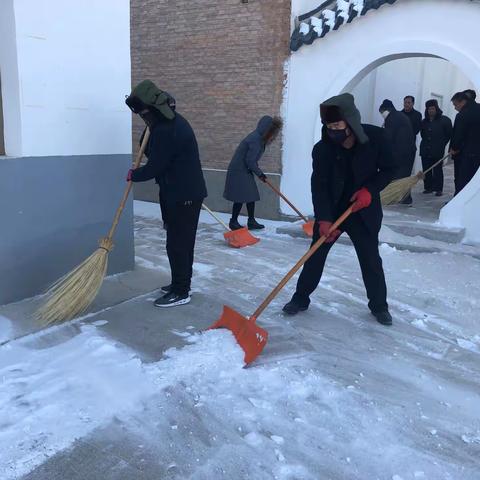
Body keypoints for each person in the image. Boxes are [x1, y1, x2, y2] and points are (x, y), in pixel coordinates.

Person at [283, 93, 396, 326]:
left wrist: (369, 190)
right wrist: (323, 219)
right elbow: (320, 186)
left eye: (337, 125)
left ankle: (379, 306)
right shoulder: (322, 149)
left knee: (370, 259)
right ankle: (300, 298)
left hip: (362, 212)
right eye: (329, 126)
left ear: (351, 121)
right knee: (314, 256)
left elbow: (389, 169)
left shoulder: (376, 138)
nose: (333, 130)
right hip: (332, 212)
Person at [125, 79, 207, 307]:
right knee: (176, 242)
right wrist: (147, 131)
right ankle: (178, 283)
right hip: (175, 192)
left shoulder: (168, 128)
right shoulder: (161, 126)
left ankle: (181, 291)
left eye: (143, 113)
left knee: (179, 244)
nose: (142, 117)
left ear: (154, 108)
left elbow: (156, 166)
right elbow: (150, 150)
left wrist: (135, 174)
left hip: (184, 195)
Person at [223, 116, 282, 230]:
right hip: (239, 170)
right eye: (272, 133)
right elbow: (250, 160)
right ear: (266, 130)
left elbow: (251, 161)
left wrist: (259, 173)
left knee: (251, 195)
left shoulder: (259, 138)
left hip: (244, 169)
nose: (273, 137)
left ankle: (251, 221)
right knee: (240, 196)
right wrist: (260, 174)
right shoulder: (255, 140)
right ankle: (233, 222)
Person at [379, 99, 416, 204]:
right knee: (404, 175)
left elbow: (388, 138)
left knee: (398, 176)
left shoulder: (391, 118)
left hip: (401, 152)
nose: (382, 115)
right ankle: (405, 198)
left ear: (386, 110)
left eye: (381, 113)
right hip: (408, 151)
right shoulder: (399, 115)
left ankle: (398, 198)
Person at [419, 99, 452, 196]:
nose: (431, 111)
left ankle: (438, 189)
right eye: (429, 109)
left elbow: (449, 134)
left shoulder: (445, 120)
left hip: (437, 150)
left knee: (437, 169)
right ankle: (428, 187)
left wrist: (441, 144)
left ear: (436, 109)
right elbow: (423, 134)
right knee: (426, 169)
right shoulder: (424, 121)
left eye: (433, 108)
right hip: (425, 149)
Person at [450, 91, 480, 194]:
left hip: (467, 154)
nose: (455, 108)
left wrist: (454, 148)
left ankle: (459, 203)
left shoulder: (462, 115)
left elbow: (458, 135)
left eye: (455, 105)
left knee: (463, 181)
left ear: (462, 102)